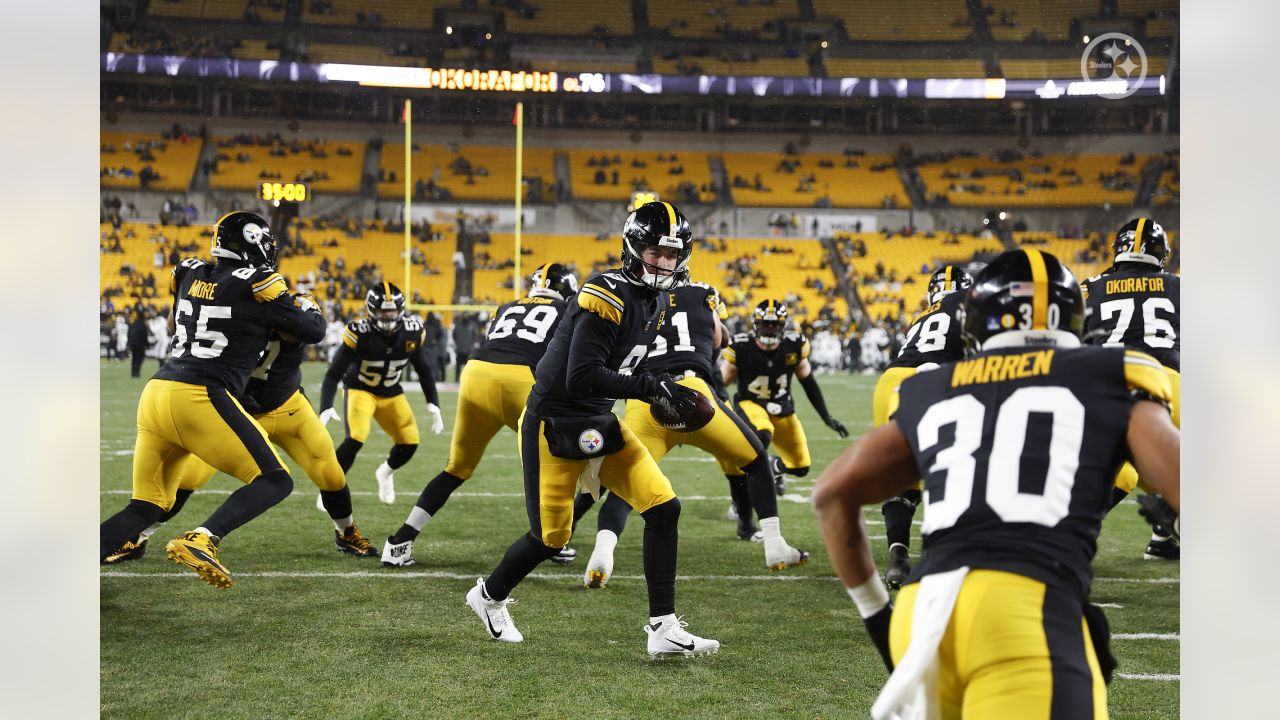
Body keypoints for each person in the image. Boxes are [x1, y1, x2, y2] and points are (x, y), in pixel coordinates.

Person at [813, 248, 1179, 719]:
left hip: (923, 614)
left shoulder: (930, 387)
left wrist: (875, 612)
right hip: (1025, 609)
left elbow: (831, 493)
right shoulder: (1112, 372)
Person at [463, 201, 719, 658]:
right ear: (633, 248)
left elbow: (631, 363)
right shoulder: (606, 293)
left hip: (600, 418)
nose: (665, 263)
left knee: (664, 507)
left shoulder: (658, 299)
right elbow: (580, 374)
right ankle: (487, 597)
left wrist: (669, 384)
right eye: (655, 252)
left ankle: (662, 628)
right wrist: (648, 387)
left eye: (672, 254)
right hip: (554, 421)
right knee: (551, 539)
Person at [99, 211, 326, 588]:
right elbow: (312, 330)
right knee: (274, 481)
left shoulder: (186, 271)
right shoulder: (260, 282)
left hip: (157, 392)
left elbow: (179, 322)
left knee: (146, 505)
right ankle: (203, 538)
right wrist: (307, 306)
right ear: (254, 243)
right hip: (200, 395)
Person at [572, 281, 809, 585]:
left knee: (627, 484)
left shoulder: (630, 295)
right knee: (756, 459)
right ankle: (775, 545)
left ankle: (603, 551)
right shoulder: (703, 292)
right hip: (694, 392)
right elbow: (716, 338)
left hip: (646, 396)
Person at [103, 314, 377, 563]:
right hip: (232, 406)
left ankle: (346, 531)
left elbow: (312, 329)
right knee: (189, 477)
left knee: (330, 472)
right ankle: (139, 535)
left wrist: (281, 312)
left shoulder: (282, 304)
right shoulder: (232, 303)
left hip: (287, 405)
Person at [381, 263, 578, 567]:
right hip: (520, 380)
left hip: (476, 375)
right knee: (555, 461)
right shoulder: (568, 309)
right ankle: (550, 538)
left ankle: (399, 543)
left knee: (456, 468)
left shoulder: (506, 306)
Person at [1083, 217, 1181, 560]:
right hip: (1165, 381)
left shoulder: (1090, 287)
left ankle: (1069, 536)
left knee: (1118, 466)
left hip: (1100, 383)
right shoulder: (1178, 286)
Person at [871, 266, 972, 588]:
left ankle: (897, 555)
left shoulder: (922, 316)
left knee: (901, 475)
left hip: (891, 381)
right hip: (940, 378)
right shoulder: (970, 303)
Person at [318, 282, 444, 505]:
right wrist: (326, 405)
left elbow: (424, 370)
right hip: (361, 389)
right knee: (356, 438)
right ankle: (330, 488)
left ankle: (385, 472)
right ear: (372, 311)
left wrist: (433, 403)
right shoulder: (359, 333)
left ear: (401, 310)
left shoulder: (412, 333)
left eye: (392, 311)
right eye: (383, 311)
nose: (388, 316)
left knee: (410, 441)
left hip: (392, 392)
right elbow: (333, 373)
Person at [719, 299, 848, 513]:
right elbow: (720, 382)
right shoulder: (741, 346)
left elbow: (809, 384)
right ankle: (742, 503)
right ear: (755, 324)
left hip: (783, 407)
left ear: (783, 326)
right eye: (765, 324)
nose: (769, 329)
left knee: (801, 467)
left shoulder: (795, 345)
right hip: (751, 403)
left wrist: (826, 417)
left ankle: (773, 467)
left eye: (775, 324)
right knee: (762, 434)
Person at [127, 307, 151, 377]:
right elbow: (144, 336)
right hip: (140, 345)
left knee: (134, 359)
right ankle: (137, 373)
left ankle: (133, 373)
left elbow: (129, 334)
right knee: (139, 359)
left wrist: (129, 342)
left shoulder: (133, 323)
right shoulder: (143, 325)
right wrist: (147, 344)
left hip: (133, 344)